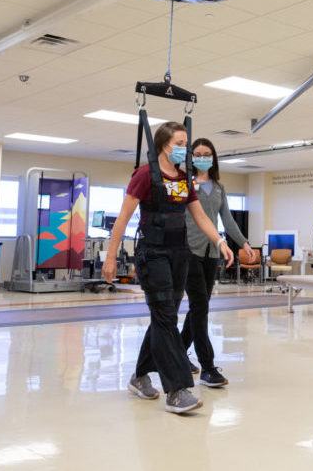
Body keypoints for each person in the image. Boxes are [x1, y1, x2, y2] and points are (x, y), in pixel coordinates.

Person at [102, 122, 234, 415]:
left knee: (166, 316)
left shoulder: (185, 178)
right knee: (165, 317)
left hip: (179, 254)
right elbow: (123, 219)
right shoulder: (144, 175)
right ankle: (177, 389)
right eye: (180, 143)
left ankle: (139, 376)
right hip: (154, 254)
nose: (184, 149)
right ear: (163, 145)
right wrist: (111, 257)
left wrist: (220, 241)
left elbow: (199, 216)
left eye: (185, 143)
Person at [181, 138, 254, 388]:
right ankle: (208, 367)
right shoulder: (185, 184)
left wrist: (243, 243)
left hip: (212, 252)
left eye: (207, 153)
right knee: (200, 307)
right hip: (189, 250)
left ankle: (179, 353)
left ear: (213, 158)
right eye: (198, 154)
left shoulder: (219, 188)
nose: (202, 157)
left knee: (199, 307)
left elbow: (228, 220)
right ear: (191, 157)